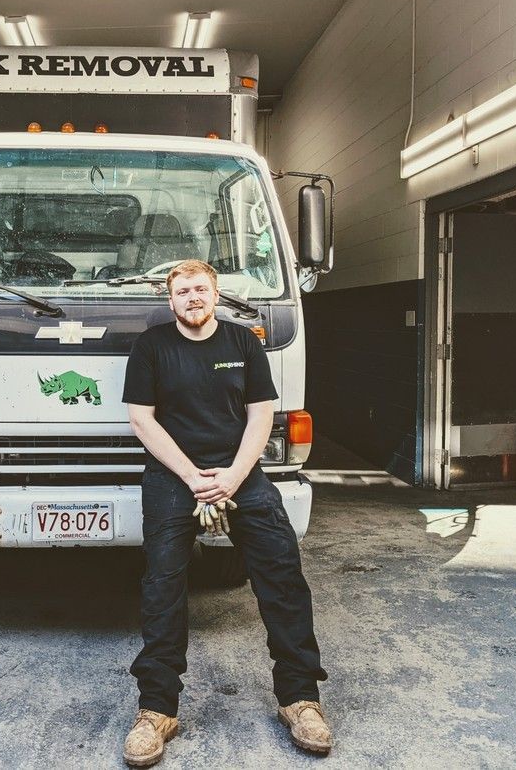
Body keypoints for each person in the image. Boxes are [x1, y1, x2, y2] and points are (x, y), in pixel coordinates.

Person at [120, 259, 331, 766]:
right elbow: (141, 420)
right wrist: (194, 478)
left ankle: (300, 700)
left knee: (282, 574)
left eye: (200, 289)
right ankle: (156, 710)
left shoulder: (243, 343)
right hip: (174, 477)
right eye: (182, 291)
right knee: (163, 586)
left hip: (240, 473)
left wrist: (232, 478)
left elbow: (262, 414)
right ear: (170, 301)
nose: (192, 298)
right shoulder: (151, 348)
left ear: (215, 295)